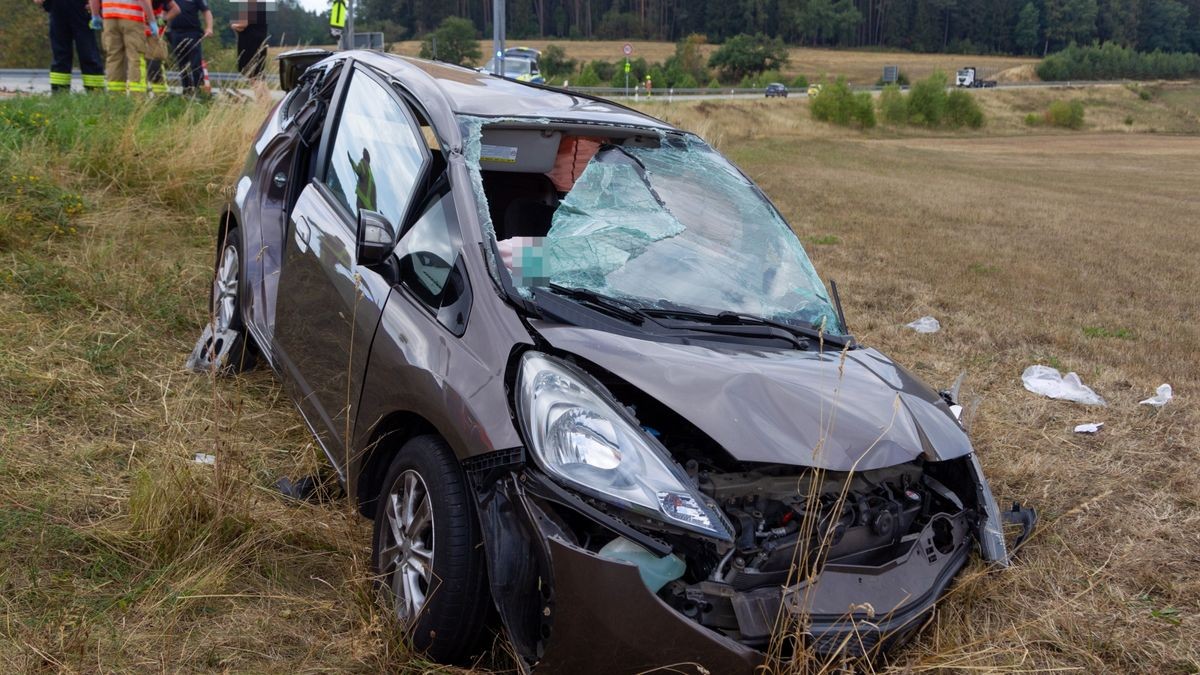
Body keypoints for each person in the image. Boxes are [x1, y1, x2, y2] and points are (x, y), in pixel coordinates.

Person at [35, 0, 105, 93]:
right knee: (81, 51)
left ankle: (94, 90)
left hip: (74, 7)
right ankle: (61, 90)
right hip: (64, 7)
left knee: (84, 51)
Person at [89, 0, 156, 93]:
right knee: (135, 56)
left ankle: (115, 96)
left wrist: (95, 15)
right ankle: (137, 96)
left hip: (109, 18)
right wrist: (152, 20)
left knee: (113, 57)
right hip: (132, 18)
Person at [166, 0, 212, 96]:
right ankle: (187, 89)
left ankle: (198, 88)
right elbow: (165, 11)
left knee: (195, 63)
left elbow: (206, 11)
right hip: (175, 33)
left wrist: (209, 27)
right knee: (181, 63)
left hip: (192, 32)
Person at [140, 0, 178, 95]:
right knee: (140, 63)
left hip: (153, 35)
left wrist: (162, 20)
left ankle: (160, 95)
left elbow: (176, 9)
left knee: (155, 63)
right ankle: (145, 94)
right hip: (139, 33)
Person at [230, 0, 269, 79]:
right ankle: (264, 92)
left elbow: (243, 24)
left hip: (249, 43)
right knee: (259, 76)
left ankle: (259, 92)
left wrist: (233, 25)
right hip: (260, 41)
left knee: (252, 75)